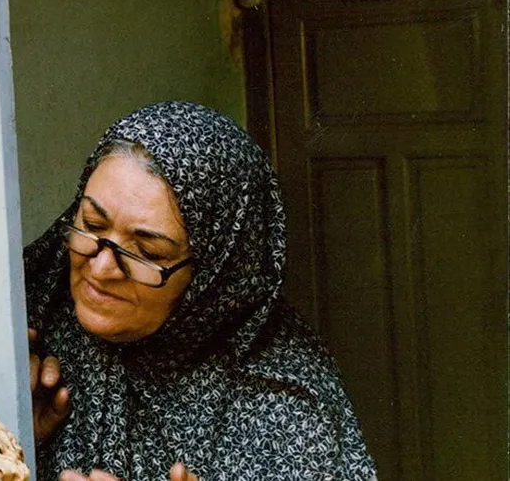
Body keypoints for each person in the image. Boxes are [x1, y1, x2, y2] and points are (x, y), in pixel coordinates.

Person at [26, 101, 375, 481]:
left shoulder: (282, 409)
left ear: (215, 275)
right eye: (92, 224)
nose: (101, 268)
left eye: (147, 253)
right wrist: (16, 440)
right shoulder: (33, 329)